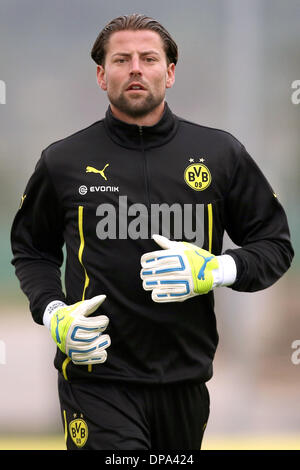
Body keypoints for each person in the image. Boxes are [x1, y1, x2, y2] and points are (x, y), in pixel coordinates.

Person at [10, 13, 294, 450]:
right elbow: (32, 251)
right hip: (97, 376)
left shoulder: (220, 154)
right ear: (102, 76)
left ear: (171, 72)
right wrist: (54, 315)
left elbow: (275, 245)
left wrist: (217, 269)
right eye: (122, 60)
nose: (137, 68)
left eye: (149, 58)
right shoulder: (63, 160)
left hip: (186, 382)